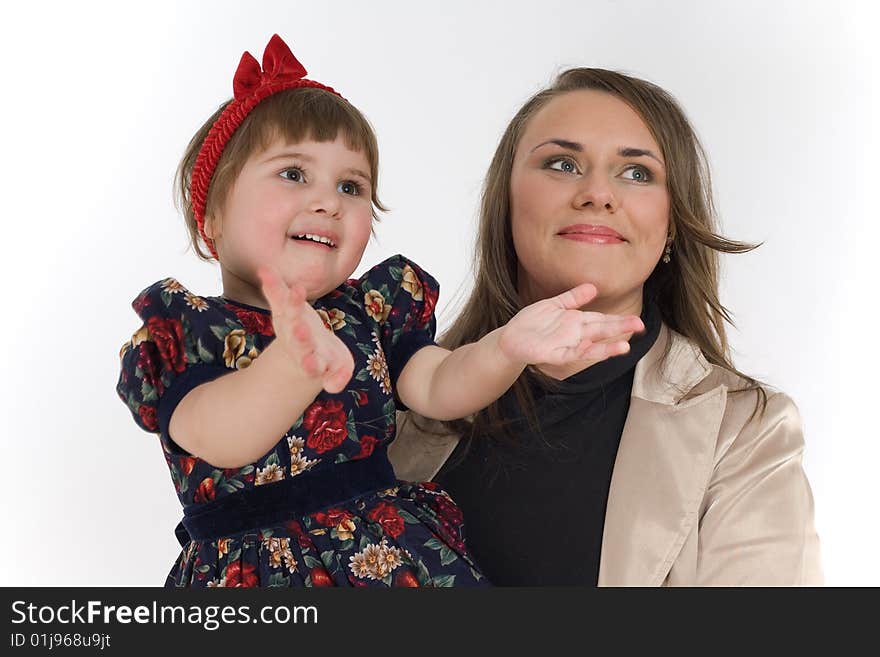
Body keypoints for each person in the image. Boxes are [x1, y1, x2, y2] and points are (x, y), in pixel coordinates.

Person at [115, 36, 643, 588]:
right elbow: (222, 435)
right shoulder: (188, 331)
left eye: (351, 185)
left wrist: (506, 347)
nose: (328, 200)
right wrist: (295, 363)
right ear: (212, 217)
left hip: (388, 562)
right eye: (293, 173)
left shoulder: (369, 312)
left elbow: (440, 388)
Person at [389, 67, 823, 586]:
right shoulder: (381, 402)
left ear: (671, 227)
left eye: (637, 173)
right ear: (505, 205)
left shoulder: (747, 432)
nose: (597, 193)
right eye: (562, 164)